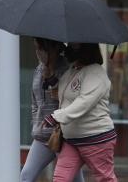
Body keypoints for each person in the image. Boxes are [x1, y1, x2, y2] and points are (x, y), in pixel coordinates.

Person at [43, 43, 118, 182]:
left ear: (85, 49)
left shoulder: (96, 73)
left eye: (73, 46)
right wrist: (50, 78)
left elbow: (84, 102)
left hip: (96, 138)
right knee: (60, 179)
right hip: (72, 140)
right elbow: (65, 94)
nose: (67, 49)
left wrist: (56, 117)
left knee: (105, 179)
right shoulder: (73, 69)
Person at [20, 38, 84, 182]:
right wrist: (36, 123)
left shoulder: (68, 68)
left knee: (72, 179)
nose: (38, 53)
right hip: (42, 136)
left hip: (64, 136)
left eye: (40, 49)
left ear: (51, 48)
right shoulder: (38, 69)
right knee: (26, 175)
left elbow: (74, 101)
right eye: (36, 49)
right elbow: (35, 101)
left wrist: (53, 80)